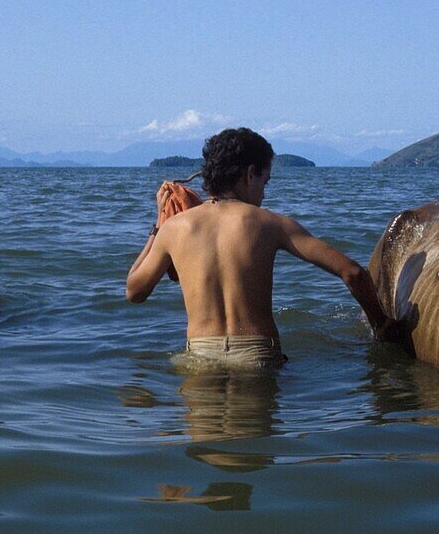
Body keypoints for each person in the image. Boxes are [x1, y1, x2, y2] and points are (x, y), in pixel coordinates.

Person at [126, 127, 396, 367]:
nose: (263, 193)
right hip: (256, 357)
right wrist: (380, 325)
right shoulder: (269, 223)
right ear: (250, 173)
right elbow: (352, 272)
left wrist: (158, 225)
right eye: (264, 182)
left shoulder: (174, 228)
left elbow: (134, 291)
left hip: (200, 357)